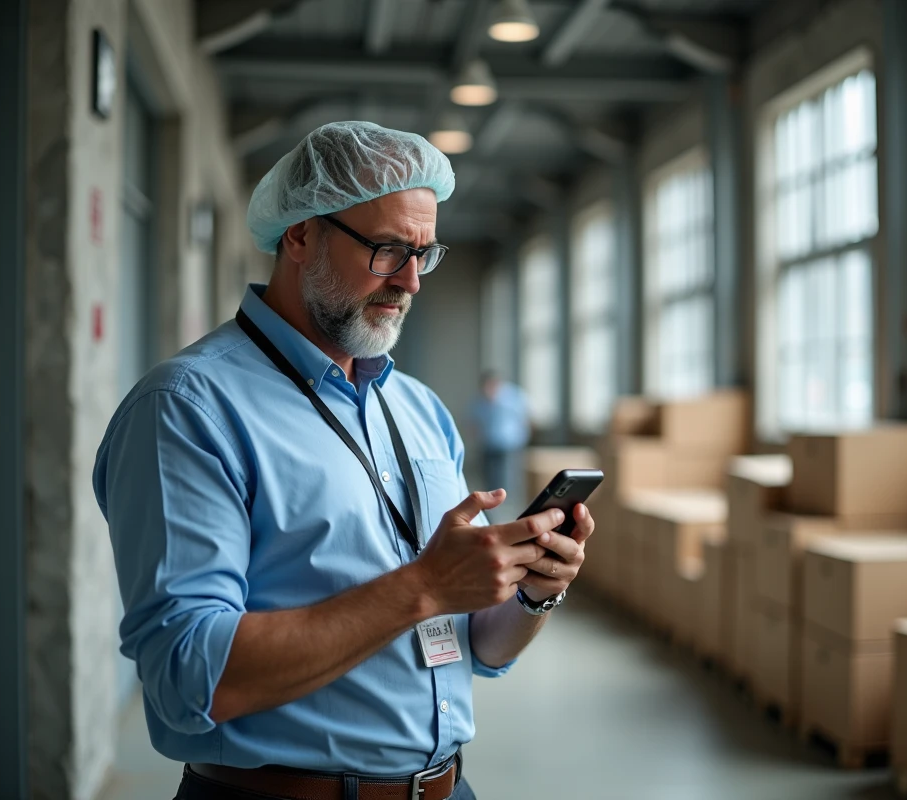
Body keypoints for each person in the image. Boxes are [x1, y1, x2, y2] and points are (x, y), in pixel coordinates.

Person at [93, 121, 596, 800]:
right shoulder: (188, 409)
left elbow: (477, 644)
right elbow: (187, 678)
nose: (411, 281)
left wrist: (534, 591)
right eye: (388, 250)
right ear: (301, 235)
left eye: (424, 253)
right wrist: (424, 586)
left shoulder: (418, 408)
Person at [468, 371, 530, 517]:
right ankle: (492, 510)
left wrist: (522, 438)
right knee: (490, 479)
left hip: (509, 446)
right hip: (489, 446)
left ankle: (509, 510)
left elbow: (526, 418)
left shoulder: (513, 397)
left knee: (508, 478)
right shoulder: (480, 401)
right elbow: (473, 422)